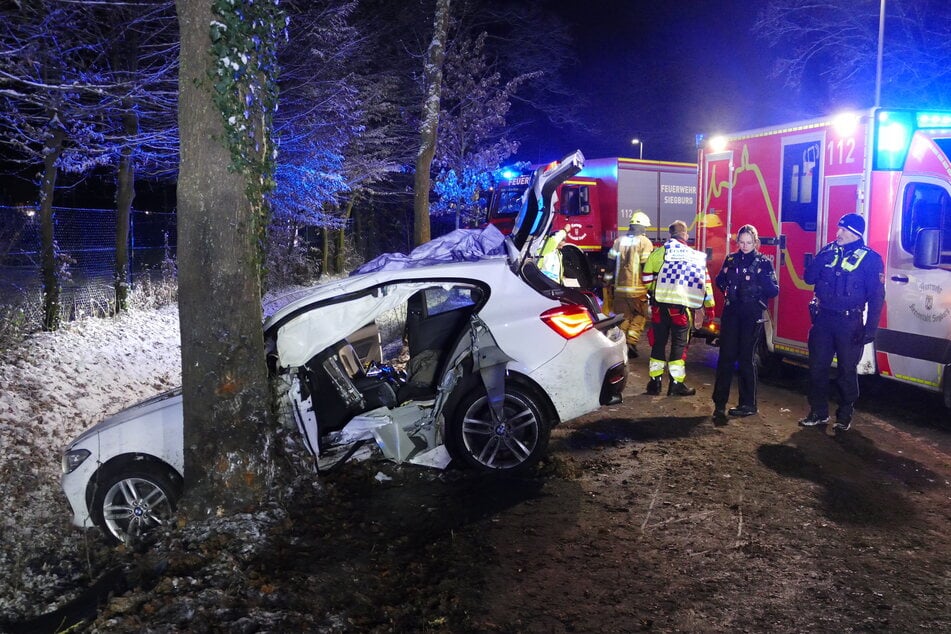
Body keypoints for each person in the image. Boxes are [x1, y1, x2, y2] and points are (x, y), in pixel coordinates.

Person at [799, 213, 884, 432]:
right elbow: (808, 278)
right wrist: (819, 261)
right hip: (824, 319)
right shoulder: (827, 252)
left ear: (855, 233)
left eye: (843, 230)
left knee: (847, 370)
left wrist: (870, 330)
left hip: (850, 322)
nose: (838, 233)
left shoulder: (871, 259)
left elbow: (876, 297)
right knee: (817, 367)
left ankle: (845, 414)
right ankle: (818, 412)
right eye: (838, 229)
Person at [711, 224, 779, 425]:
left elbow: (774, 290)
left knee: (746, 358)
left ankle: (748, 404)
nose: (745, 245)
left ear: (755, 242)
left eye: (749, 242)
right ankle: (719, 402)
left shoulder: (763, 263)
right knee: (726, 357)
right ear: (737, 242)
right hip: (731, 313)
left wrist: (760, 287)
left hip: (751, 315)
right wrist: (728, 292)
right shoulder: (731, 259)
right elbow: (720, 280)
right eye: (741, 242)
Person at [641, 220, 715, 396]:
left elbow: (645, 280)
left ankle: (655, 383)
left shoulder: (658, 253)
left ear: (670, 234)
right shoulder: (694, 256)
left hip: (659, 308)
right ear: (685, 235)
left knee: (658, 344)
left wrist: (657, 291)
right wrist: (709, 307)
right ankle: (675, 384)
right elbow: (705, 283)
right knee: (679, 345)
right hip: (680, 311)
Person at [607, 211, 654, 358]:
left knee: (623, 317)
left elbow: (610, 263)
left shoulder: (618, 241)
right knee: (640, 315)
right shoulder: (645, 242)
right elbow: (646, 265)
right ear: (642, 227)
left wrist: (607, 280)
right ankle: (631, 341)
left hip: (619, 289)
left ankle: (619, 345)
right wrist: (651, 287)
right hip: (638, 290)